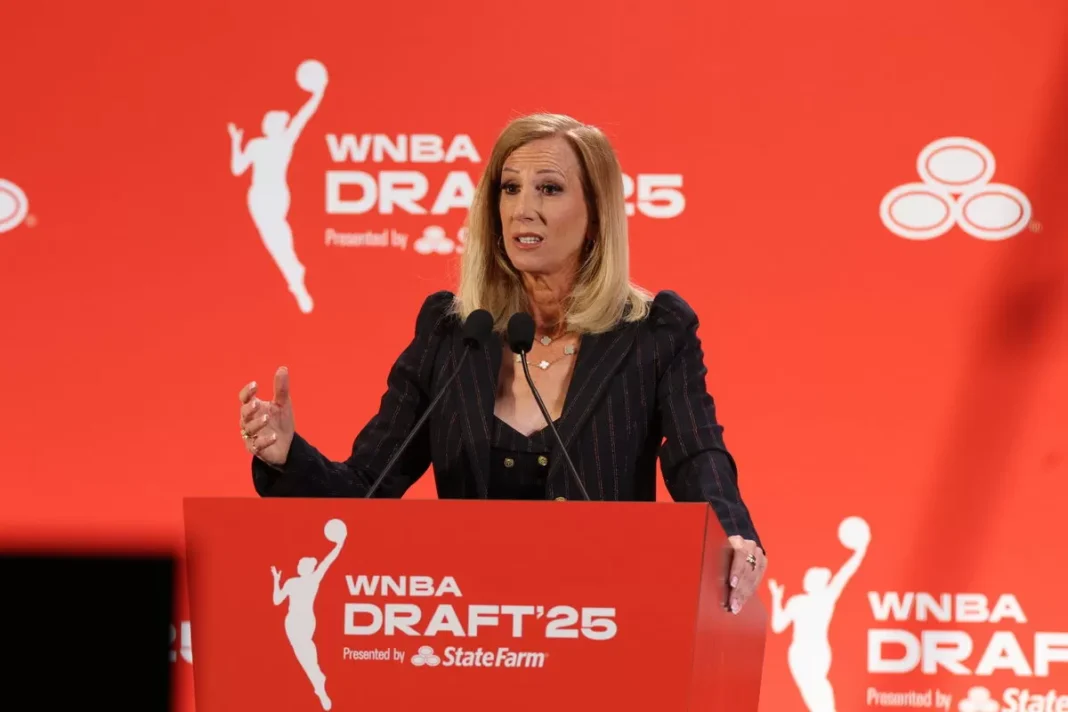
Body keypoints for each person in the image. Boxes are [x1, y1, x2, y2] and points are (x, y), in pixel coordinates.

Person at [237, 113, 767, 613]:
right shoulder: (451, 333)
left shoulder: (652, 334)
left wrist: (734, 535)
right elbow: (366, 489)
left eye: (549, 189)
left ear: (596, 215)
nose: (522, 209)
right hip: (474, 632)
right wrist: (287, 455)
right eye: (509, 188)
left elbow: (697, 455)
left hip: (605, 620)